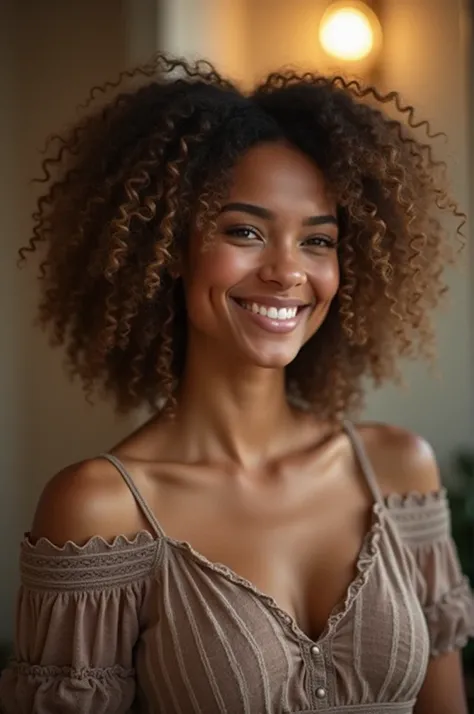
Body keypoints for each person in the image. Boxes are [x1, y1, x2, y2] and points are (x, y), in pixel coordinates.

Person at [0, 53, 473, 714]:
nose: (287, 273)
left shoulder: (399, 473)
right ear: (166, 249)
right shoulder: (100, 510)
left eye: (318, 241)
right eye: (244, 231)